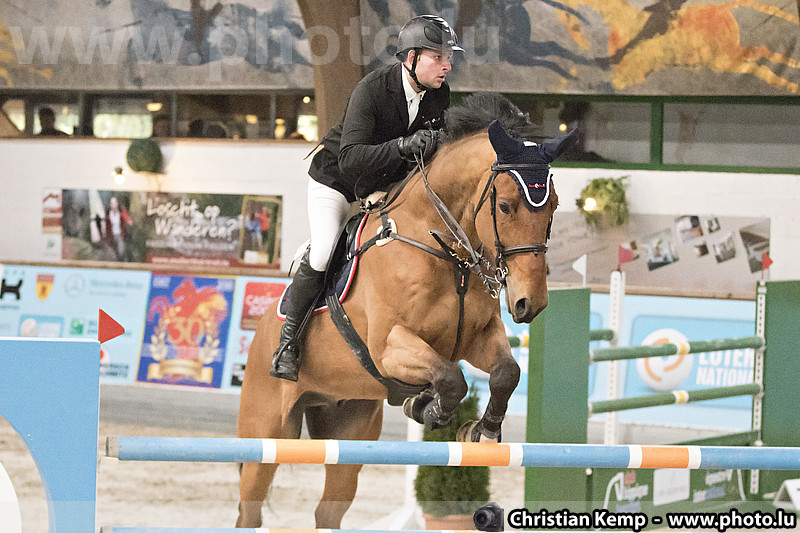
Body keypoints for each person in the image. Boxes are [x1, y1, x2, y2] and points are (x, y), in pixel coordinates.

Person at [270, 15, 463, 381]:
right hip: (337, 183)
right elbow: (350, 157)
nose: (447, 65)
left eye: (448, 57)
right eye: (438, 57)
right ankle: (288, 344)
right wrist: (403, 145)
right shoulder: (372, 89)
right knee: (325, 249)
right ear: (411, 58)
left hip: (383, 190)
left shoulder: (439, 94)